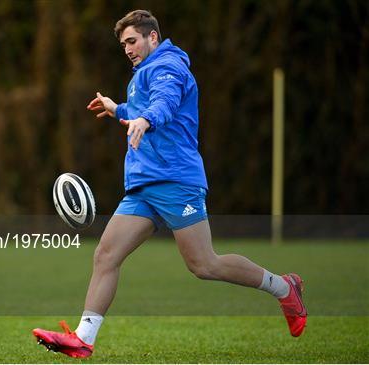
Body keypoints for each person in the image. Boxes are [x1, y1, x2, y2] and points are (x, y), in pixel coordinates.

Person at [32, 9, 307, 358]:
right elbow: (142, 106)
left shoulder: (168, 67)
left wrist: (145, 118)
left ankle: (284, 288)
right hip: (144, 185)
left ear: (153, 38)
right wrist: (119, 109)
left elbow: (164, 102)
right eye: (123, 44)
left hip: (177, 181)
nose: (128, 48)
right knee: (105, 254)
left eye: (132, 41)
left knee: (204, 265)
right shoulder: (142, 73)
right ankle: (83, 339)